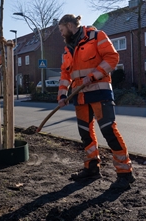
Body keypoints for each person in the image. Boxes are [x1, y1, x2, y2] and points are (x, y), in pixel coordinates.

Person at [57, 14, 135, 190]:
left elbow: (112, 58)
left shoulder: (97, 36)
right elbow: (65, 75)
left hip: (99, 91)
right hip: (80, 96)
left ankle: (125, 174)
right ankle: (91, 168)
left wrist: (93, 76)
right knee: (85, 133)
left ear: (70, 25)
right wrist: (62, 96)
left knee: (108, 130)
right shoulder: (67, 49)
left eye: (62, 30)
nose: (62, 35)